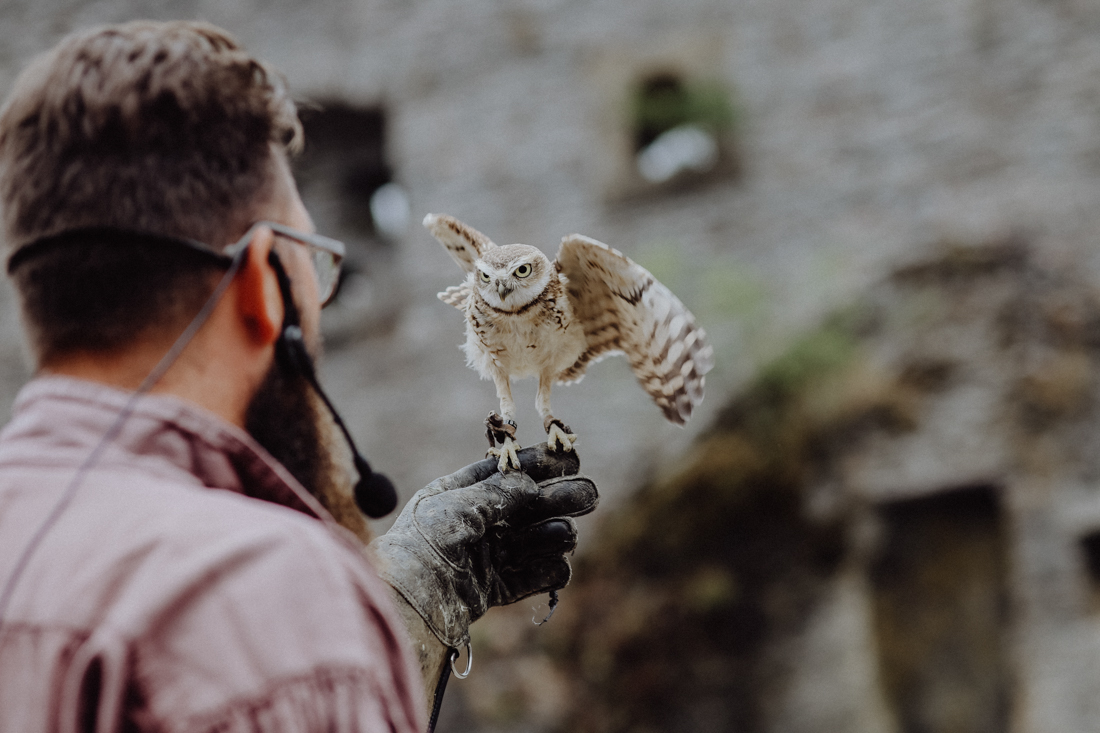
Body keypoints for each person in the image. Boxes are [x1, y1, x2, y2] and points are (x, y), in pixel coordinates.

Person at [0, 20, 598, 732]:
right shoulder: (269, 598)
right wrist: (326, 636)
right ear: (262, 281)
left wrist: (403, 594)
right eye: (314, 266)